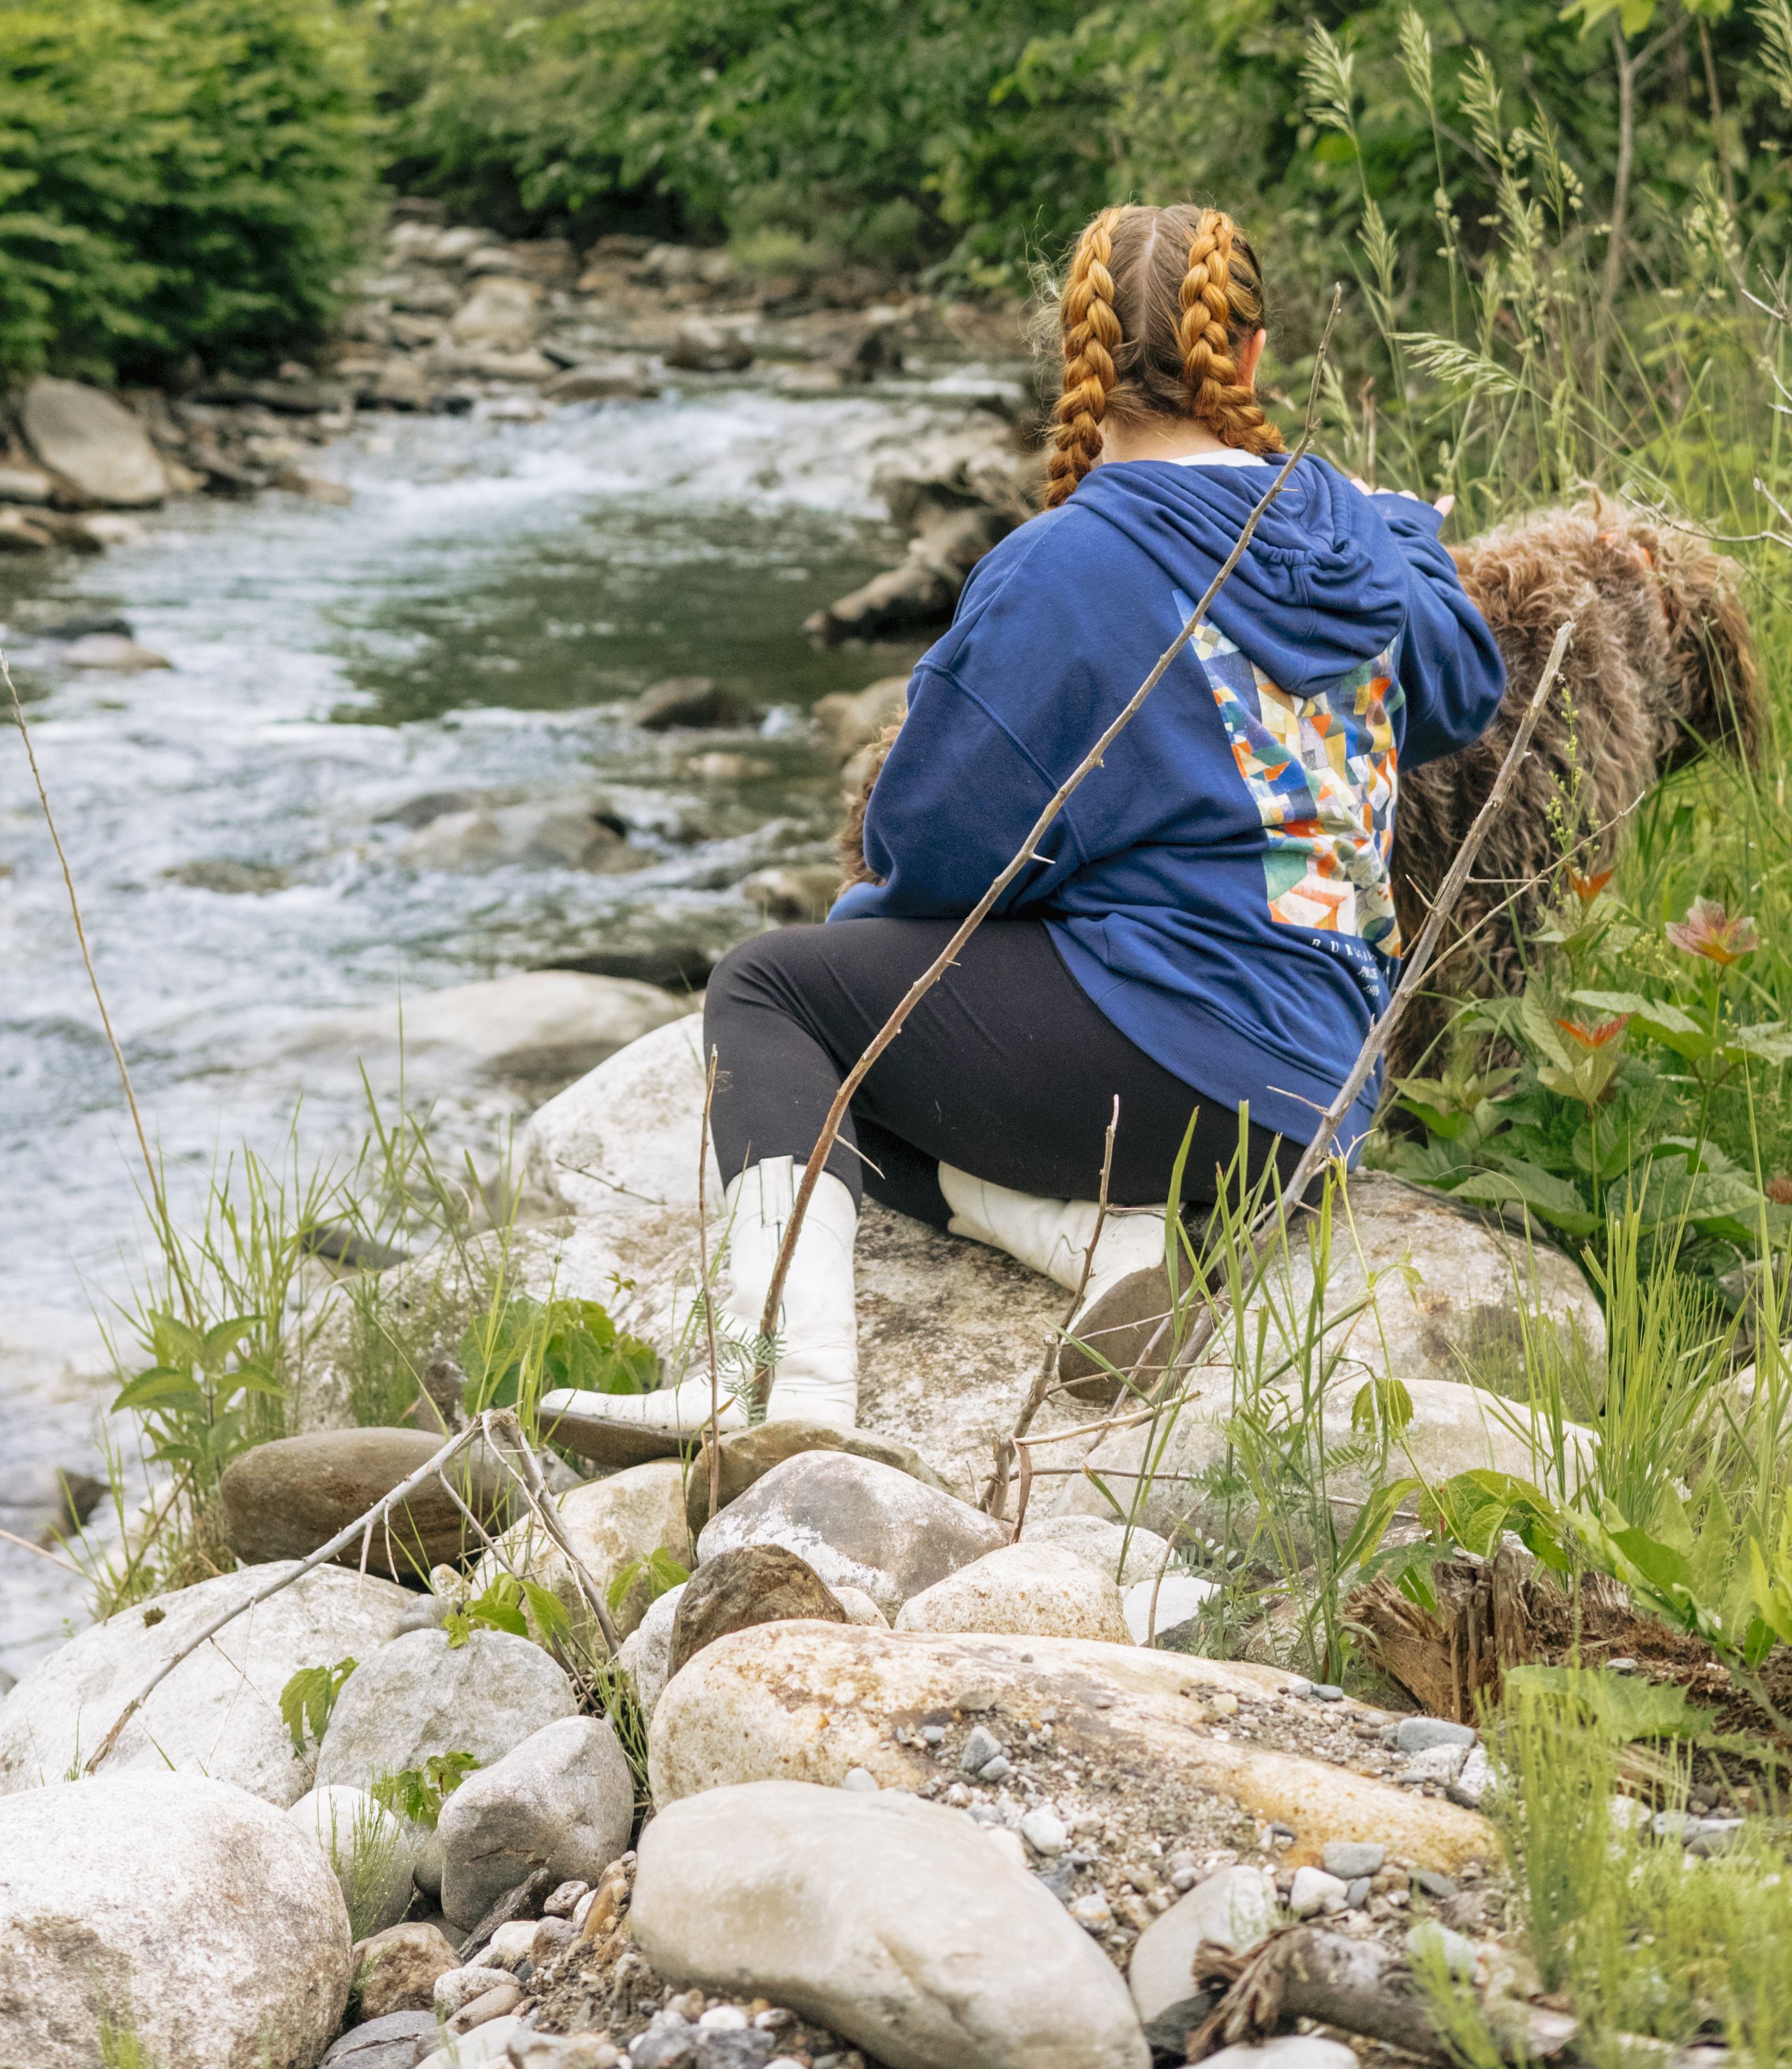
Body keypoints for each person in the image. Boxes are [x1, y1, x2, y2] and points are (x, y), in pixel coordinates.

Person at [546, 200, 1506, 1447]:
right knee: (834, 1081)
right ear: (1251, 357)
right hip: (1315, 1102)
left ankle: (779, 1389)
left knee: (777, 1006)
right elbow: (1461, 688)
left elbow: (933, 846)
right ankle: (1103, 1245)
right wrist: (1406, 528)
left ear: (1083, 364)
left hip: (1172, 1072)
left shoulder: (1071, 560)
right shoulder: (1353, 543)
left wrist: (861, 957)